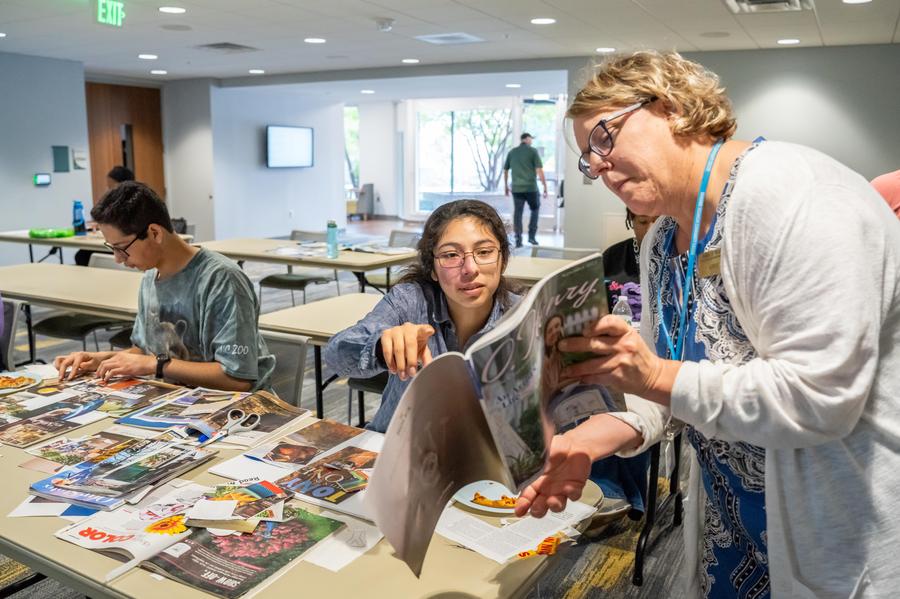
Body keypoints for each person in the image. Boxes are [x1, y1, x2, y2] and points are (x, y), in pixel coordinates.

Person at [516, 50, 900, 598]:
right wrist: (591, 437)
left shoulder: (795, 199)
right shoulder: (660, 243)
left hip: (837, 527)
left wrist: (650, 376)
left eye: (603, 138)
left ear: (670, 107)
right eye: (586, 158)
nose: (597, 165)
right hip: (735, 525)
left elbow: (819, 398)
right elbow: (671, 376)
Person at [54, 181, 275, 392]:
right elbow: (144, 352)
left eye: (122, 248)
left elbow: (237, 379)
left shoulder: (221, 279)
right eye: (111, 248)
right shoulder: (150, 276)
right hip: (177, 399)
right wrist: (99, 359)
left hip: (236, 409)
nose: (118, 259)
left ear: (155, 233)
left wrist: (155, 365)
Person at [324, 199, 520, 433]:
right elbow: (336, 354)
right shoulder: (410, 302)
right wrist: (382, 346)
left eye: (485, 252)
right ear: (432, 269)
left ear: (503, 259)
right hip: (396, 450)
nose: (470, 268)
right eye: (450, 255)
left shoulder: (522, 317)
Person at [75, 166, 135, 267]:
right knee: (81, 255)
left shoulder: (132, 202)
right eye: (109, 187)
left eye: (112, 186)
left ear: (124, 184)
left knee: (82, 256)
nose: (110, 190)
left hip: (122, 244)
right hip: (111, 240)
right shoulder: (113, 201)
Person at [503, 133, 548, 247]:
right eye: (531, 139)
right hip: (531, 187)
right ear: (527, 139)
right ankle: (531, 237)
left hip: (517, 188)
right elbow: (539, 170)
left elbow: (506, 170)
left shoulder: (512, 152)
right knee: (535, 209)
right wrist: (545, 186)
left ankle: (518, 240)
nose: (531, 141)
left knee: (518, 213)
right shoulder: (533, 151)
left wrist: (506, 187)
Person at [602, 208, 657, 284]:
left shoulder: (677, 254)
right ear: (631, 220)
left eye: (658, 222)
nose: (650, 230)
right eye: (643, 222)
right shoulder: (612, 256)